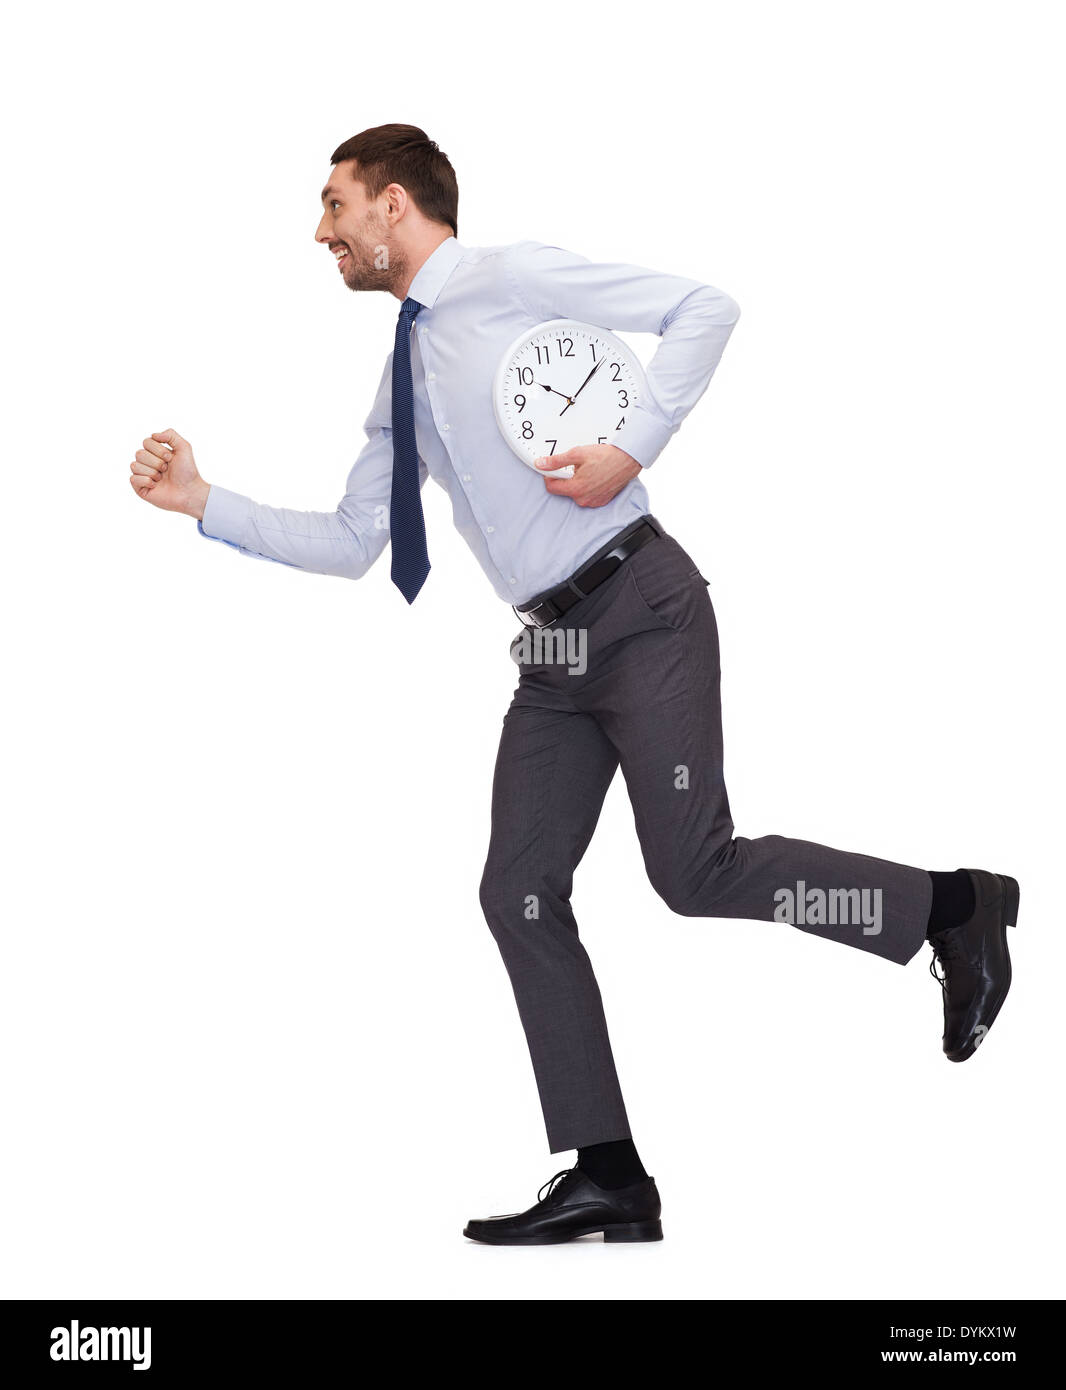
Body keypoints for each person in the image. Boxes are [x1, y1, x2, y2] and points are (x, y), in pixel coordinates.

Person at [129, 124, 1019, 1247]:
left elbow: (706, 307)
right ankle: (611, 1175)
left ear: (395, 204)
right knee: (520, 891)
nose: (321, 230)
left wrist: (633, 444)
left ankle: (951, 906)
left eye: (334, 204)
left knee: (693, 872)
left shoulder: (505, 274)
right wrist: (203, 500)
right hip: (549, 651)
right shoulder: (399, 373)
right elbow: (359, 539)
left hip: (640, 605)